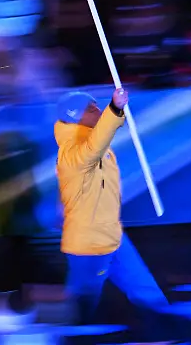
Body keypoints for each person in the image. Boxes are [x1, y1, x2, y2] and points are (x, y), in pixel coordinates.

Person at [54, 88, 168, 324]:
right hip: (88, 243)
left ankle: (167, 329)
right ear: (75, 116)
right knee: (81, 307)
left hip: (111, 233)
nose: (98, 110)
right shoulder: (74, 149)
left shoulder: (93, 145)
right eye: (91, 109)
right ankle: (68, 335)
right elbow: (94, 146)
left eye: (98, 106)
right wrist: (114, 109)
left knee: (146, 292)